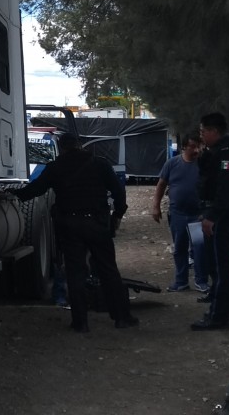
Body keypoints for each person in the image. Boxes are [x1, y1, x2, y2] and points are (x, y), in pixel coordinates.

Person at [13, 132, 137, 333]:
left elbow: (34, 190)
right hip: (97, 223)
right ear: (79, 145)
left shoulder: (54, 168)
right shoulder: (100, 163)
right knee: (108, 271)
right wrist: (117, 215)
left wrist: (12, 194)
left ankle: (81, 322)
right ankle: (122, 317)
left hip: (69, 225)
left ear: (61, 148)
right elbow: (118, 192)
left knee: (75, 273)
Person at [191, 112, 229, 331]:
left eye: (203, 131)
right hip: (220, 212)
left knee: (221, 267)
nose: (201, 135)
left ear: (214, 131)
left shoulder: (228, 153)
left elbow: (226, 189)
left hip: (224, 214)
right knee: (220, 266)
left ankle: (219, 316)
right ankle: (225, 309)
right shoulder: (219, 151)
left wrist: (212, 217)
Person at [151, 132, 209, 292]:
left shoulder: (204, 165)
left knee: (199, 248)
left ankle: (201, 280)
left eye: (199, 146)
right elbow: (161, 184)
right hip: (177, 214)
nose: (197, 150)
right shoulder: (172, 164)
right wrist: (155, 206)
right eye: (193, 146)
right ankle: (181, 281)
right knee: (179, 248)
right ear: (184, 147)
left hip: (197, 215)